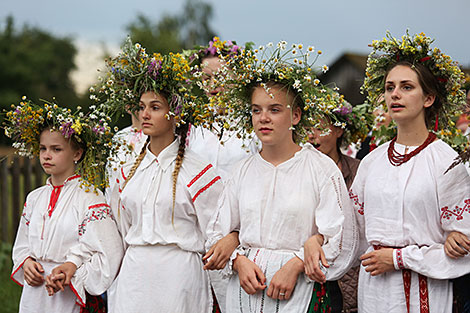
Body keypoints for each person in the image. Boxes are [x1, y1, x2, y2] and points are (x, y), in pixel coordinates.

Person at [206, 42, 357, 313]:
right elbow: (215, 234)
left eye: (275, 109)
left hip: (299, 293)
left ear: (295, 115)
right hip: (244, 296)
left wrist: (298, 262)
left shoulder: (320, 169)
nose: (263, 118)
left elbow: (341, 236)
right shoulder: (241, 171)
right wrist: (238, 261)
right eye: (256, 110)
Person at [100, 39, 223, 313]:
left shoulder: (199, 172)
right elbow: (118, 230)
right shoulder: (127, 171)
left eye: (155, 107)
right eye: (142, 106)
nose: (144, 114)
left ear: (174, 112)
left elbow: (216, 232)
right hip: (133, 278)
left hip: (179, 278)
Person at [351, 31, 470, 312]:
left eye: (406, 87)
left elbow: (463, 245)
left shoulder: (446, 163)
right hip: (374, 289)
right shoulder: (372, 161)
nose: (395, 94)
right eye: (390, 87)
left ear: (428, 98)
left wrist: (398, 258)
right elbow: (353, 233)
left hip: (423, 287)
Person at [5, 98, 123, 313]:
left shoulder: (90, 197)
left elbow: (109, 250)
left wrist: (72, 268)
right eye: (43, 148)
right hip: (35, 294)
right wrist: (26, 263)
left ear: (77, 153)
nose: (47, 155)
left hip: (68, 293)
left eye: (56, 149)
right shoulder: (34, 198)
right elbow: (22, 245)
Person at [188, 37, 260, 311]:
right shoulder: (193, 132)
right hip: (196, 240)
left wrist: (236, 234)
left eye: (220, 77)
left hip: (240, 237)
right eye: (206, 78)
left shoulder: (252, 128)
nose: (213, 85)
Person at [307, 98, 371, 313]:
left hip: (351, 274)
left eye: (319, 127)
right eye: (306, 128)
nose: (311, 135)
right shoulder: (300, 172)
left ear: (339, 130)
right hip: (309, 272)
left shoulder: (360, 171)